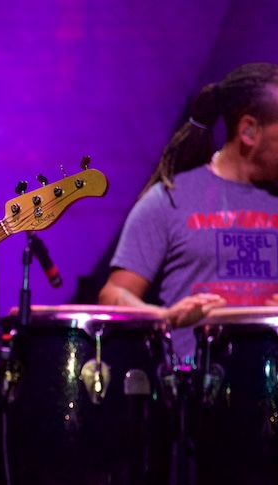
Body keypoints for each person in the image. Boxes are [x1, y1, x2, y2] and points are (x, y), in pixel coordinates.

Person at [98, 62, 278, 361]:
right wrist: (165, 315)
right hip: (191, 392)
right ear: (249, 131)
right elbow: (113, 294)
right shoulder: (169, 199)